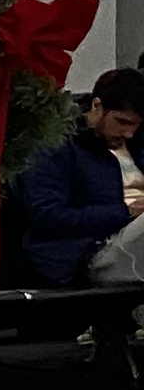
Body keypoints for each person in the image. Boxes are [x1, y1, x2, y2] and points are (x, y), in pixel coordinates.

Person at [13, 69, 144, 287]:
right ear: (97, 106)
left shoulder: (135, 145)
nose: (128, 133)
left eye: (136, 125)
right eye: (122, 122)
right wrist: (126, 212)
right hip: (84, 254)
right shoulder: (55, 145)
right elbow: (48, 216)